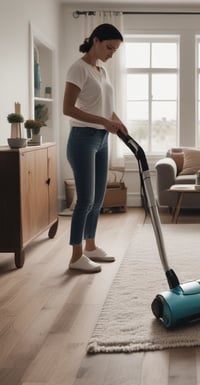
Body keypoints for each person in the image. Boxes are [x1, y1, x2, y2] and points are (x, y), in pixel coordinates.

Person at [63, 23, 128, 273]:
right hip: (82, 138)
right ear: (96, 41)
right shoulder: (78, 68)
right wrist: (104, 121)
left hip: (102, 139)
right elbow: (68, 109)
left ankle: (90, 246)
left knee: (98, 199)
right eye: (109, 47)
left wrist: (117, 121)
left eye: (115, 50)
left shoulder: (102, 69)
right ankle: (76, 256)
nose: (112, 53)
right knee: (85, 200)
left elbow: (104, 105)